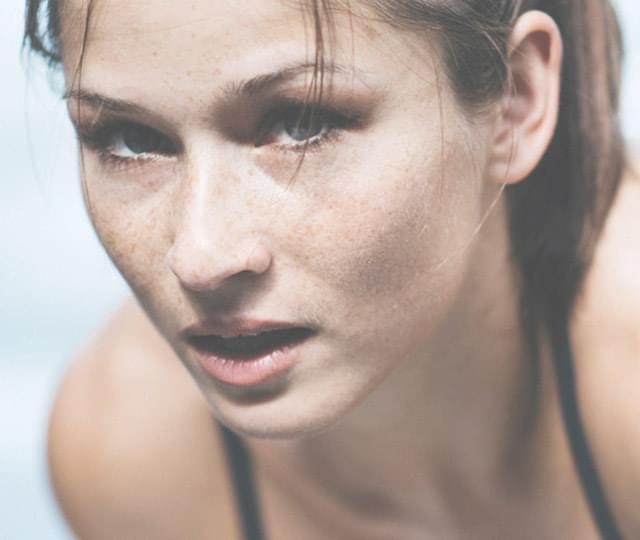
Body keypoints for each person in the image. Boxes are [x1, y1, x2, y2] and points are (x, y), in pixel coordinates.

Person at [23, 0, 640, 538]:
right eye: (129, 139)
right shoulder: (128, 450)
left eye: (301, 123)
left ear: (515, 101)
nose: (200, 258)